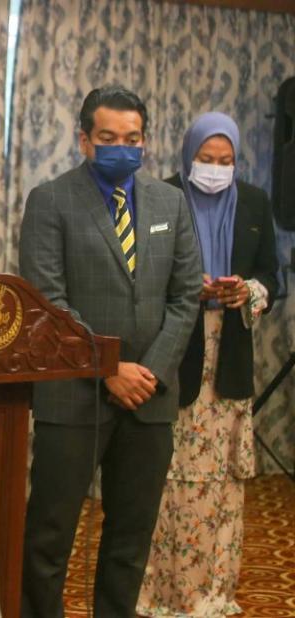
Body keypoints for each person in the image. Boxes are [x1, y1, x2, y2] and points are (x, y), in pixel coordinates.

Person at [18, 85, 202, 617]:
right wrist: (108, 369)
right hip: (73, 397)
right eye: (108, 138)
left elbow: (185, 295)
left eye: (133, 138)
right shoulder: (50, 199)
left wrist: (148, 371)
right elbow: (48, 301)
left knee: (129, 540)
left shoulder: (171, 201)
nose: (123, 147)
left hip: (150, 396)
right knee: (49, 539)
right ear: (84, 139)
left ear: (145, 141)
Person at [137, 112, 278, 617]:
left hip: (230, 362)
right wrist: (185, 289)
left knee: (222, 484)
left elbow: (271, 280)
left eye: (226, 161)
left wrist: (248, 291)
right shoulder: (162, 198)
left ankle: (213, 594)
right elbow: (141, 279)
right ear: (188, 155)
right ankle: (160, 594)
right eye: (206, 159)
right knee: (166, 478)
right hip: (175, 356)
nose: (216, 169)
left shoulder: (256, 203)